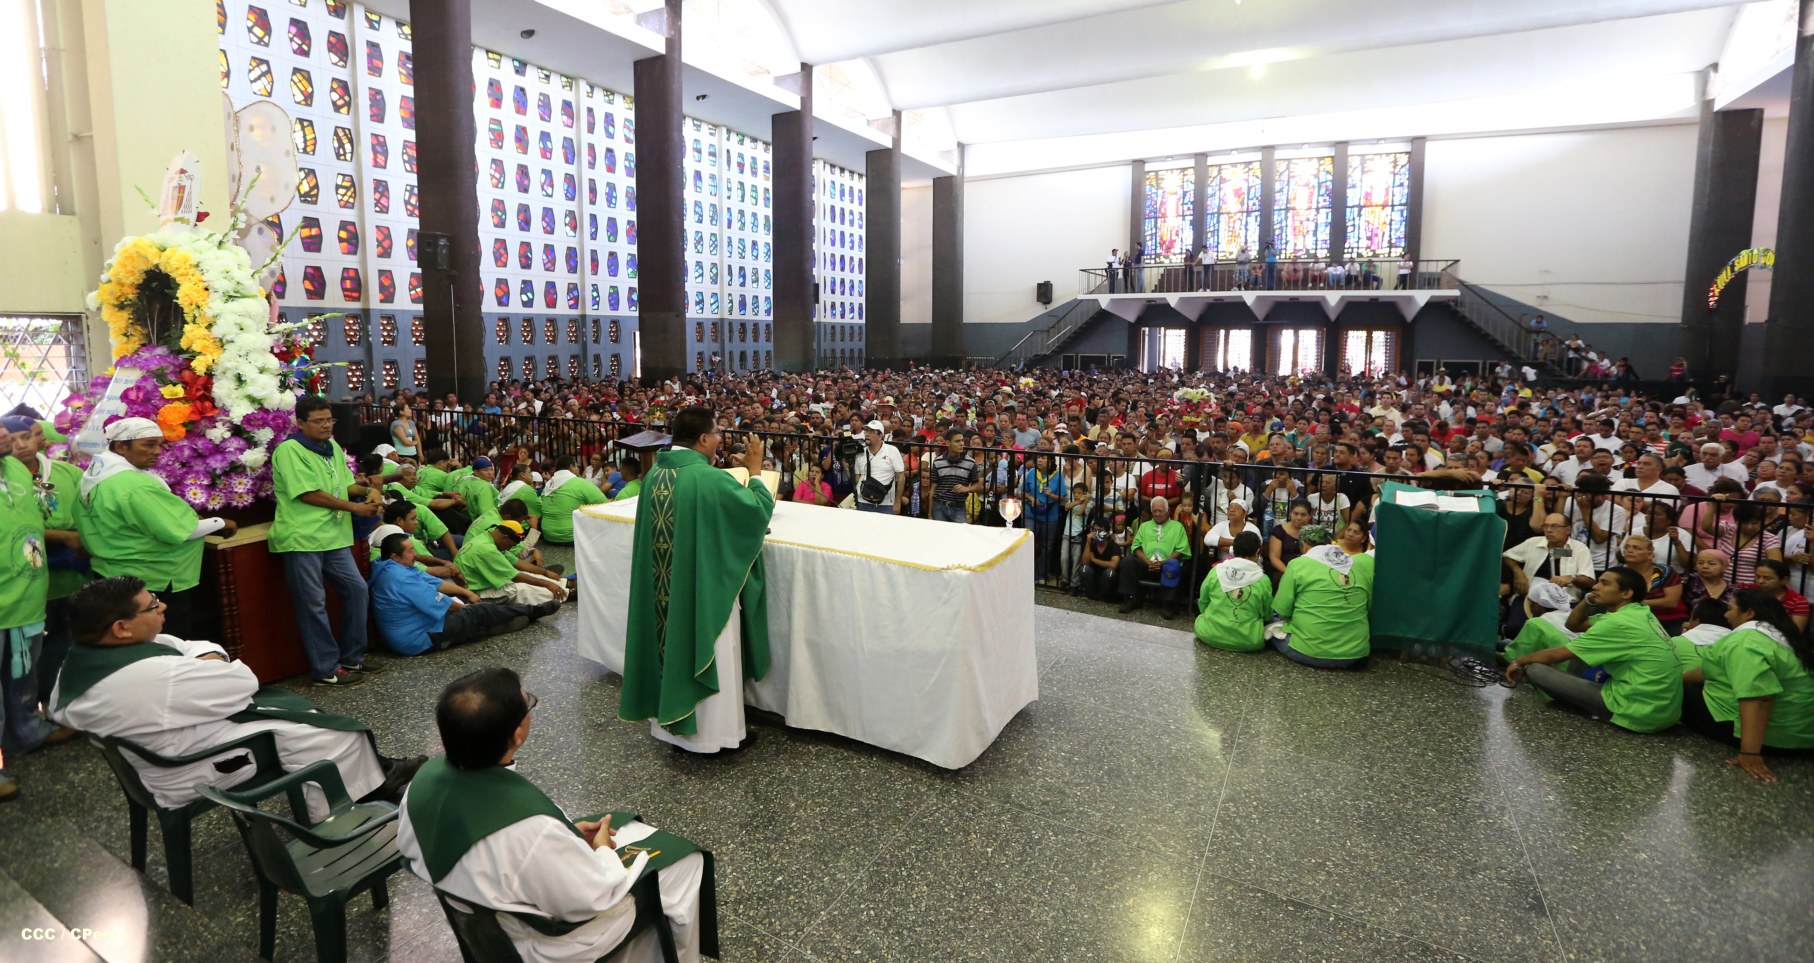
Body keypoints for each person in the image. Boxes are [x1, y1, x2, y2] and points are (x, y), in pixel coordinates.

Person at [397, 667, 709, 963]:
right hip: (543, 943)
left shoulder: (420, 784)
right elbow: (594, 896)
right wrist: (600, 849)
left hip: (484, 929)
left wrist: (566, 836)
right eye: (528, 704)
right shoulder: (533, 830)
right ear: (516, 735)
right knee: (687, 864)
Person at [51, 576, 418, 821]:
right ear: (121, 628)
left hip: (170, 740)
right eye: (151, 606)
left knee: (302, 714)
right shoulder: (149, 676)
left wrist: (206, 663)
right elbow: (242, 682)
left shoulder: (84, 660)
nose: (162, 608)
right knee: (333, 735)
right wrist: (212, 662)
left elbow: (185, 647)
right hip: (187, 765)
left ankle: (375, 774)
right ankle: (339, 817)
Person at [620, 407, 774, 754]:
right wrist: (754, 471)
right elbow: (756, 511)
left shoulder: (655, 475)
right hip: (703, 592)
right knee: (715, 649)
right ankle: (716, 738)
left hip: (669, 591)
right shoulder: (708, 478)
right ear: (703, 439)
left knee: (670, 646)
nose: (720, 440)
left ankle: (675, 731)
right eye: (717, 433)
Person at [76, 417, 237, 640]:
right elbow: (178, 530)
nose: (157, 451)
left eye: (159, 444)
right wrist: (220, 523)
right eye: (149, 444)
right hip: (153, 578)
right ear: (121, 446)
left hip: (113, 572)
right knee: (166, 644)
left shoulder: (96, 475)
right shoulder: (133, 485)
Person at [271, 396, 380, 687]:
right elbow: (309, 494)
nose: (326, 426)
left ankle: (352, 656)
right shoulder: (289, 451)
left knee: (357, 590)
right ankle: (325, 669)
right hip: (302, 538)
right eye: (319, 421)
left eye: (329, 419)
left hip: (333, 536)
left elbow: (345, 485)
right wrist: (356, 508)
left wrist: (368, 491)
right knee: (313, 604)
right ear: (300, 423)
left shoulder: (330, 447)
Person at [1505, 567, 1683, 733]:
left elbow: (1557, 655)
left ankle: (1575, 705)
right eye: (1598, 582)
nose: (1595, 587)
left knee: (1535, 669)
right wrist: (1589, 599)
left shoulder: (1618, 623)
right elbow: (1573, 625)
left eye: (1605, 583)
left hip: (1634, 712)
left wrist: (1519, 661)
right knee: (1583, 649)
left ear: (1626, 593)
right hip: (1663, 713)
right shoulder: (1640, 612)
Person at [1680, 589, 1814, 782]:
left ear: (1749, 613)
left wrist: (1750, 753)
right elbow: (1708, 670)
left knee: (1673, 692)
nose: (1726, 615)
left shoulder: (1746, 641)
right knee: (1680, 685)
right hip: (1801, 734)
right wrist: (1680, 677)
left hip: (1772, 738)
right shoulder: (1784, 637)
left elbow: (1758, 697)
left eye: (1730, 609)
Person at [6, 414, 83, 712]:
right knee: (31, 644)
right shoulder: (9, 479)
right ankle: (36, 701)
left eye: (25, 437)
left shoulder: (65, 471)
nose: (20, 445)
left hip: (73, 569)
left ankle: (57, 698)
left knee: (71, 633)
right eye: (11, 440)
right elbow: (17, 525)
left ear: (38, 437)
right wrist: (62, 536)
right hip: (27, 577)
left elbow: (87, 510)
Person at [369, 534, 557, 655]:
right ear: (395, 556)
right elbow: (447, 605)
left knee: (470, 600)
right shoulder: (399, 577)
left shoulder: (391, 565)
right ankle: (531, 611)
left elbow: (437, 584)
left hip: (420, 624)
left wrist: (467, 593)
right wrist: (470, 606)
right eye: (410, 551)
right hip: (417, 639)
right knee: (475, 611)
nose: (415, 555)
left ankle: (495, 619)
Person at [1269, 525, 1376, 669]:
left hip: (1308, 651)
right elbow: (1369, 608)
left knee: (1270, 624)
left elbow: (1283, 610)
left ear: (1304, 544)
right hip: (1355, 653)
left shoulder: (1298, 564)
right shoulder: (1363, 564)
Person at [458, 521, 568, 606]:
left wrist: (545, 572)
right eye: (511, 545)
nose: (511, 548)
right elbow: (516, 577)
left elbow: (518, 563)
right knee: (521, 589)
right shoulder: (487, 550)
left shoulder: (488, 537)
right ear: (504, 538)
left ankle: (564, 583)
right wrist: (548, 584)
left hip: (483, 582)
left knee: (527, 576)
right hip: (478, 592)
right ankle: (566, 594)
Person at [1196, 531, 1273, 652]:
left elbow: (1203, 602)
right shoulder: (1263, 580)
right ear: (1258, 552)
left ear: (1234, 550)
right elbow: (1267, 613)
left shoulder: (1216, 571)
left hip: (1208, 634)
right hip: (1249, 641)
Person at [1117, 496, 1192, 619]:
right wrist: (1148, 562)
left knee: (1173, 565)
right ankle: (1131, 599)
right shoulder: (1144, 526)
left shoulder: (1177, 527)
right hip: (1146, 563)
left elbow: (1181, 550)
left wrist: (1163, 562)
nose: (1157, 514)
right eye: (1154, 511)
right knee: (1127, 561)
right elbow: (1136, 547)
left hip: (1166, 564)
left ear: (1167, 511)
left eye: (1160, 511)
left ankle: (1168, 605)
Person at [368, 499, 462, 581]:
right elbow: (437, 571)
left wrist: (444, 562)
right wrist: (452, 569)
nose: (416, 522)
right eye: (413, 519)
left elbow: (418, 557)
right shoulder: (404, 541)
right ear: (399, 521)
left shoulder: (382, 532)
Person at [1021, 452, 1068, 586]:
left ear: (1051, 461)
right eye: (1038, 458)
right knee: (1028, 542)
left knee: (1047, 546)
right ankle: (1028, 573)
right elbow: (1023, 491)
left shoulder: (1058, 475)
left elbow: (1062, 497)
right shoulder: (1031, 472)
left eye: (1043, 458)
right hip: (1031, 512)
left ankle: (1042, 574)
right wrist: (1031, 498)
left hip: (1050, 515)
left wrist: (1051, 495)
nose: (1039, 460)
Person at [540, 455, 610, 544]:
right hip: (572, 536)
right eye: (576, 466)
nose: (578, 468)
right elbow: (604, 504)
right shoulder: (581, 483)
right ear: (571, 467)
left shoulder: (548, 485)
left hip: (548, 535)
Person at [928, 429, 982, 524]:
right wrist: (929, 513)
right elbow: (933, 488)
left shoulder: (970, 462)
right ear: (948, 443)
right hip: (939, 505)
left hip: (959, 507)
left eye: (962, 441)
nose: (961, 444)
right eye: (957, 441)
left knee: (960, 533)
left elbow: (977, 485)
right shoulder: (938, 461)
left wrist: (967, 489)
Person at [853, 419, 905, 514]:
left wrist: (898, 502)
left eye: (872, 432)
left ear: (881, 436)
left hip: (885, 504)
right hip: (863, 501)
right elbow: (857, 476)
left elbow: (901, 478)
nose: (867, 434)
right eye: (866, 431)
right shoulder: (860, 452)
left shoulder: (892, 450)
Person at [1752, 558, 1810, 632]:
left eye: (1767, 578)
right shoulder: (1747, 591)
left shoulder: (1798, 602)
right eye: (1757, 576)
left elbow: (1795, 632)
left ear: (1784, 580)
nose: (1760, 581)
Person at [1265, 499, 1311, 588]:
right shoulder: (1279, 531)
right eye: (1295, 513)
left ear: (1310, 515)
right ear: (1290, 513)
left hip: (1307, 570)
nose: (1299, 518)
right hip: (1283, 570)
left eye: (1303, 515)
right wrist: (1289, 573)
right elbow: (1274, 557)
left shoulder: (1315, 533)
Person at [1077, 513, 1124, 601]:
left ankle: (1104, 598)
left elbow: (1113, 565)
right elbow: (1085, 563)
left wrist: (1094, 559)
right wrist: (1088, 543)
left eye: (1100, 530)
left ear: (1107, 534)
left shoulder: (1114, 546)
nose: (1096, 533)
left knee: (1110, 573)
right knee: (1084, 569)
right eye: (1094, 530)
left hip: (1107, 579)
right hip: (1094, 577)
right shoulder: (1091, 545)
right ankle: (1091, 597)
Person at [499, 465, 543, 530]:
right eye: (529, 472)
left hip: (504, 524)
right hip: (520, 528)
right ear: (522, 475)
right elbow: (540, 509)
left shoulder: (509, 486)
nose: (532, 475)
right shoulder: (525, 489)